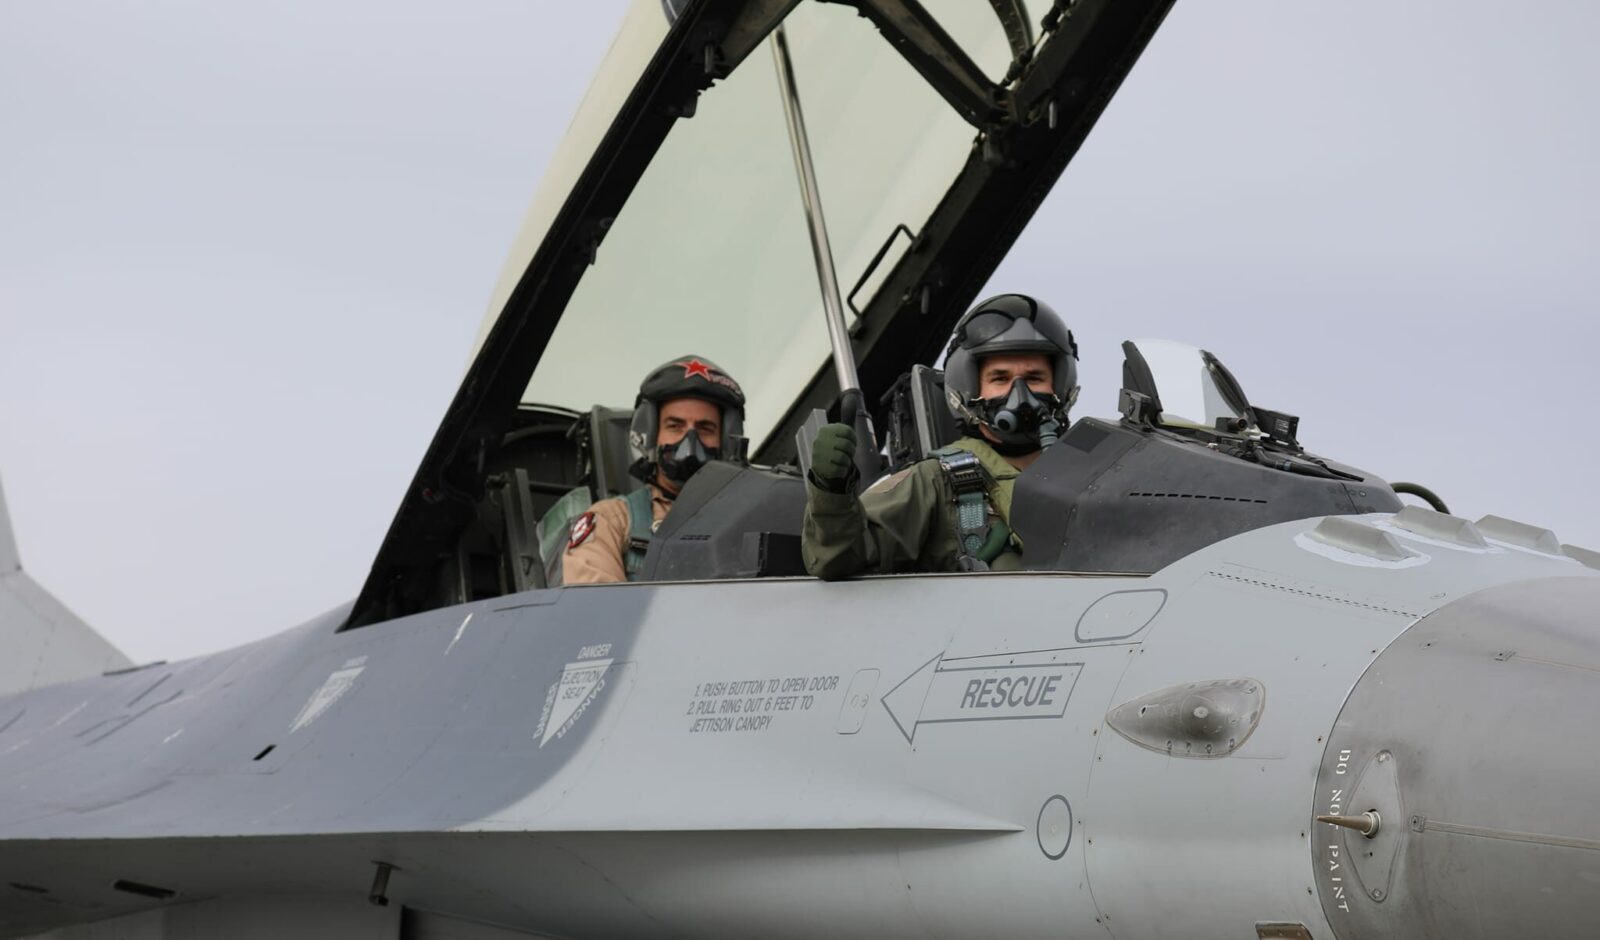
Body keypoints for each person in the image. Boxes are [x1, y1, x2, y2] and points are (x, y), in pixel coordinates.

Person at [802, 294, 1078, 579]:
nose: (1019, 394)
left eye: (1034, 378)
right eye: (1000, 378)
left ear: (1059, 384)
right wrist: (831, 488)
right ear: (969, 388)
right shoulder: (936, 481)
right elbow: (841, 557)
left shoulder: (1092, 473)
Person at [562, 355, 746, 583]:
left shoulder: (752, 522)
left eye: (705, 428)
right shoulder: (612, 522)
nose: (690, 442)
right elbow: (594, 602)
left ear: (726, 441)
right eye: (675, 426)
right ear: (651, 437)